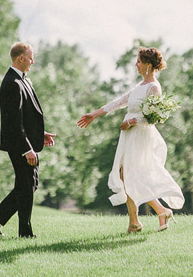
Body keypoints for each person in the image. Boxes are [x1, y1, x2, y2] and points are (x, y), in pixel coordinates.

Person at [77, 46, 184, 233]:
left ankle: (151, 215)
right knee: (127, 176)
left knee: (133, 176)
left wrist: (132, 121)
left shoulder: (154, 87)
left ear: (148, 65)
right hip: (129, 135)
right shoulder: (139, 87)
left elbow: (154, 117)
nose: (136, 65)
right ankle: (140, 219)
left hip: (140, 134)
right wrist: (94, 114)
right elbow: (119, 102)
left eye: (139, 62)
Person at [0, 42, 56, 238]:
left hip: (26, 141)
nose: (33, 61)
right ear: (20, 58)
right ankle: (25, 232)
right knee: (26, 185)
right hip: (18, 144)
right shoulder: (12, 83)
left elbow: (26, 117)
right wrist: (26, 149)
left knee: (28, 185)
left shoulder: (24, 81)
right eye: (30, 57)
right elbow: (13, 121)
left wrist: (40, 135)